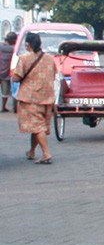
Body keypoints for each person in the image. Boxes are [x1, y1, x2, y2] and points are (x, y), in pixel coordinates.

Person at [14, 33, 57, 165]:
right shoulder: (49, 58)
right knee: (39, 125)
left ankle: (46, 153)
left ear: (27, 45)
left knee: (37, 127)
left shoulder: (24, 58)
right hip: (47, 97)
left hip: (30, 97)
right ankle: (32, 150)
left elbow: (16, 77)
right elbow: (54, 73)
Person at [0, 32, 17, 112]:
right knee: (5, 92)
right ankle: (3, 107)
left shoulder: (1, 47)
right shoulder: (14, 49)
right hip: (6, 73)